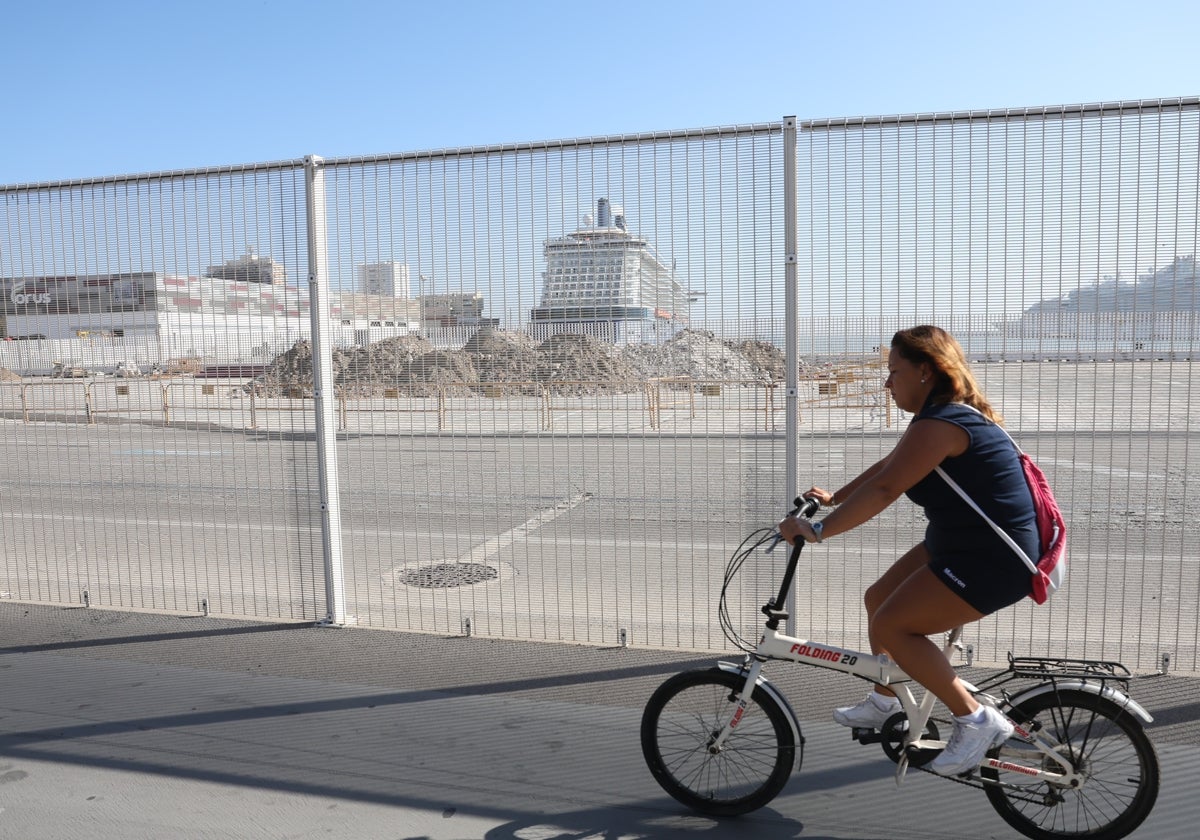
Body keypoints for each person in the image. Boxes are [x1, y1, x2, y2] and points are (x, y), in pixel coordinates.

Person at [778, 324, 1037, 776]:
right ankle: (885, 699)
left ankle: (975, 719)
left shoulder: (944, 423)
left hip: (994, 557)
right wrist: (835, 498)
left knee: (894, 627)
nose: (886, 382)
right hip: (961, 543)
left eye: (893, 371)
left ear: (924, 371)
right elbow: (888, 467)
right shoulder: (938, 416)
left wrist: (818, 532)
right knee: (878, 599)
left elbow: (885, 488)